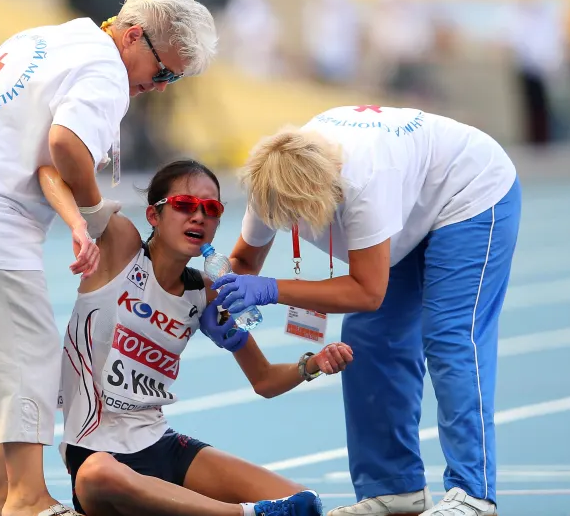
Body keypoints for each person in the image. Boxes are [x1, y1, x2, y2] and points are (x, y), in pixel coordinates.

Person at [0, 0, 218, 516]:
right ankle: (27, 499)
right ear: (133, 35)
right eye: (162, 73)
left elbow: (46, 152)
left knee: (1, 362)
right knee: (28, 355)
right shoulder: (107, 71)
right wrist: (95, 218)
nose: (158, 88)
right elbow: (67, 144)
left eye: (172, 81)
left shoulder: (54, 36)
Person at [214, 106, 521, 516]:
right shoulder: (269, 177)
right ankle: (395, 488)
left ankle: (474, 493)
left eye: (296, 215)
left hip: (468, 193)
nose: (288, 224)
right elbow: (244, 262)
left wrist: (271, 290)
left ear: (325, 196)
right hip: (411, 196)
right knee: (368, 338)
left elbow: (367, 290)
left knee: (450, 336)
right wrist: (206, 297)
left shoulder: (363, 182)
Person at [38, 159, 354, 516]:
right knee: (97, 474)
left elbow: (264, 380)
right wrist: (79, 226)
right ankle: (246, 515)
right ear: (154, 216)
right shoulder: (121, 246)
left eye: (211, 209)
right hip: (99, 455)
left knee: (303, 502)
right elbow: (52, 171)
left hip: (163, 446)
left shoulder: (206, 291)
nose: (198, 216)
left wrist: (312, 364)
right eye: (184, 205)